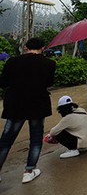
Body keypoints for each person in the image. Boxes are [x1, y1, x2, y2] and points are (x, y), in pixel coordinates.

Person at [0, 37, 56, 184]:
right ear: (43, 48)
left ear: (25, 47)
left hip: (15, 106)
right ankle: (29, 171)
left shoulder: (12, 61)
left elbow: (3, 82)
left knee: (6, 140)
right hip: (38, 105)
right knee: (36, 139)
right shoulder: (49, 63)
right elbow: (49, 83)